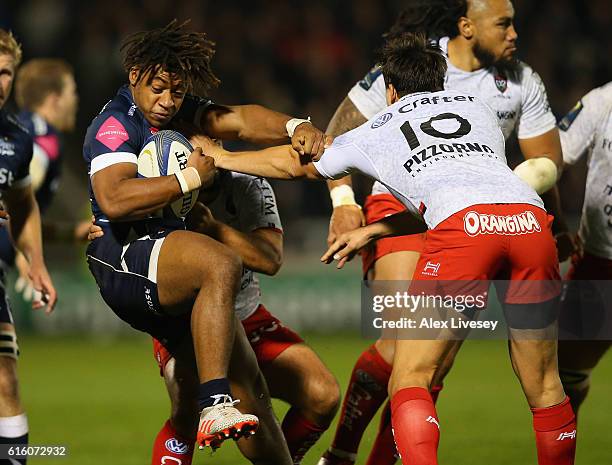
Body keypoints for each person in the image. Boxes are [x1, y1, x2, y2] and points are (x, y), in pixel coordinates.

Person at [196, 32, 576, 465]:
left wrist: (223, 158)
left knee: (411, 377)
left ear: (390, 90)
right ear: (442, 81)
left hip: (464, 233)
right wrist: (377, 231)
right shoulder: (480, 111)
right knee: (546, 386)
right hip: (528, 223)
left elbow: (296, 164)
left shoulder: (380, 127)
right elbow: (467, 186)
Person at [319, 1, 567, 463]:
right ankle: (340, 454)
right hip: (400, 199)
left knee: (433, 365)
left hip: (475, 207)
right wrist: (344, 203)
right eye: (504, 23)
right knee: (401, 347)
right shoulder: (414, 66)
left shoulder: (521, 81)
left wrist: (560, 225)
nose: (515, 33)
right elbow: (337, 133)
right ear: (467, 27)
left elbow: (545, 164)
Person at [84, 20, 326, 452]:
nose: (167, 101)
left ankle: (227, 408)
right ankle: (215, 402)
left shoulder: (179, 112)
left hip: (169, 260)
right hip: (124, 253)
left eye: (176, 92)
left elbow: (240, 119)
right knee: (221, 262)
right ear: (135, 74)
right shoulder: (115, 124)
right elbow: (115, 199)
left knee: (253, 393)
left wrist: (293, 126)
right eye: (158, 88)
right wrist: (189, 177)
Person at [89, 169, 341, 464]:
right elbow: (115, 205)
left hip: (248, 314)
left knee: (323, 395)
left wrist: (214, 228)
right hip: (187, 317)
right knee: (186, 409)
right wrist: (98, 226)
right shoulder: (161, 180)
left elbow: (270, 259)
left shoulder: (250, 186)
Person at [0, 29, 57, 463]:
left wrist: (34, 261)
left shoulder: (16, 140)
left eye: (5, 73)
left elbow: (24, 204)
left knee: (6, 379)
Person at [0, 58, 84, 303]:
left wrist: (70, 233)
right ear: (54, 99)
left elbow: (24, 217)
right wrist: (25, 256)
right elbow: (10, 199)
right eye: (72, 91)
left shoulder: (21, 128)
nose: (76, 100)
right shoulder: (43, 137)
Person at [555, 82, 612, 415]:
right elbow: (551, 158)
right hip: (600, 263)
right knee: (565, 375)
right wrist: (557, 225)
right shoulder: (602, 101)